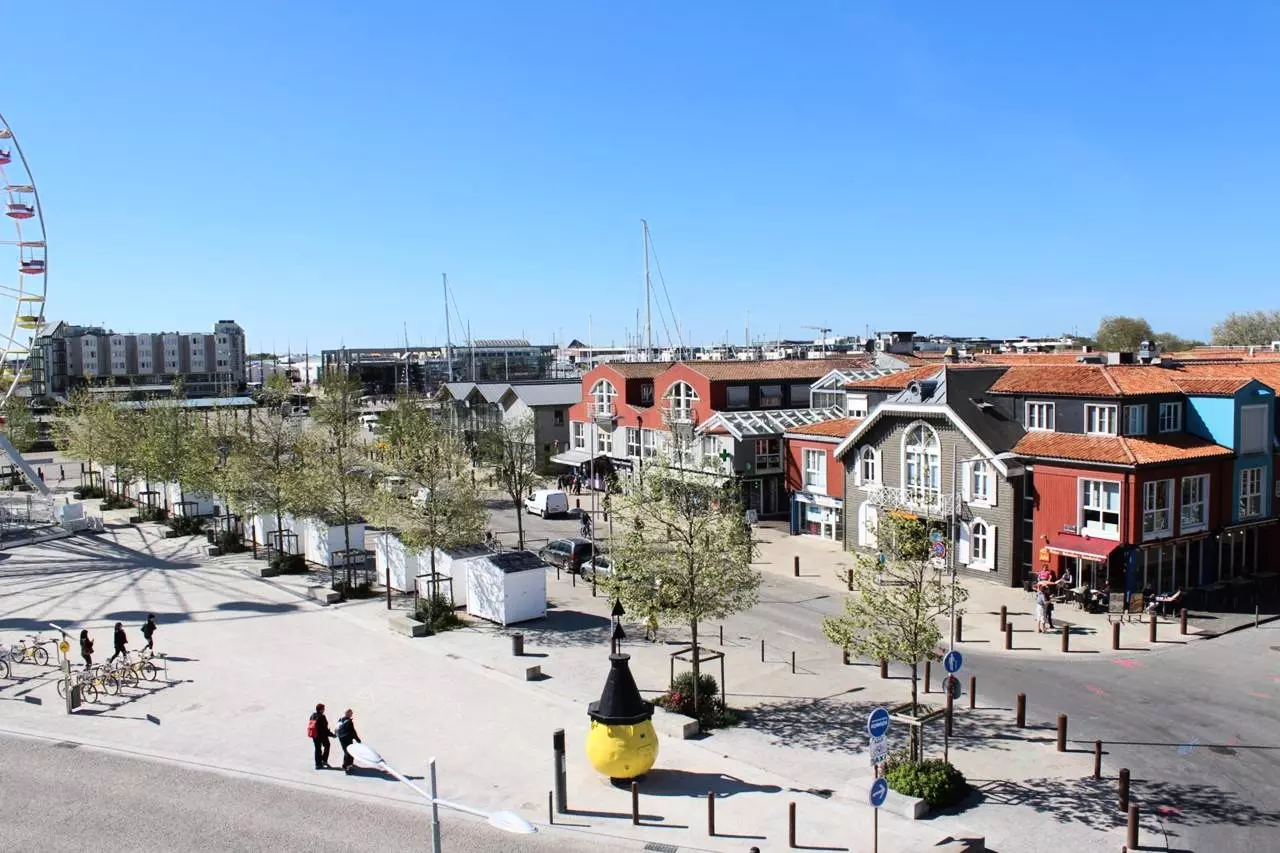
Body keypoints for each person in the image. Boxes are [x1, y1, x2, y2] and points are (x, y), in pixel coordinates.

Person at [309, 703, 335, 770]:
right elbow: (324, 729)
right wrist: (332, 735)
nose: (324, 710)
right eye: (323, 709)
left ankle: (318, 764)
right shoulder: (322, 717)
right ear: (321, 710)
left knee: (317, 749)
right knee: (327, 745)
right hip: (321, 736)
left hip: (314, 735)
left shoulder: (313, 715)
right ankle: (323, 760)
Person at [336, 709, 362, 774]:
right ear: (348, 713)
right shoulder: (349, 722)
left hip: (341, 738)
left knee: (345, 751)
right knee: (350, 752)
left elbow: (337, 728)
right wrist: (357, 739)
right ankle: (348, 767)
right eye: (351, 713)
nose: (352, 714)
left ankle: (345, 765)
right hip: (347, 738)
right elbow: (353, 732)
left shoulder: (340, 720)